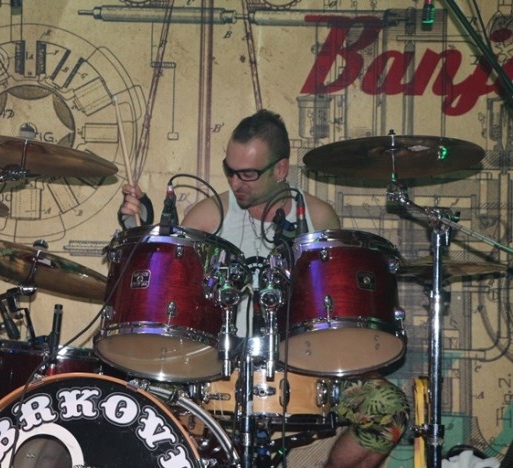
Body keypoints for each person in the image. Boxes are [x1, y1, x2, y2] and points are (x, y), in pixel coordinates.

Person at [119, 109, 409, 468]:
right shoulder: (209, 216)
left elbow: (332, 305)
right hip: (217, 360)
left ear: (281, 169)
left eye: (248, 174)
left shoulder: (317, 217)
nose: (235, 182)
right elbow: (170, 291)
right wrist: (141, 231)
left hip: (302, 359)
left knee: (388, 411)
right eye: (230, 170)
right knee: (141, 402)